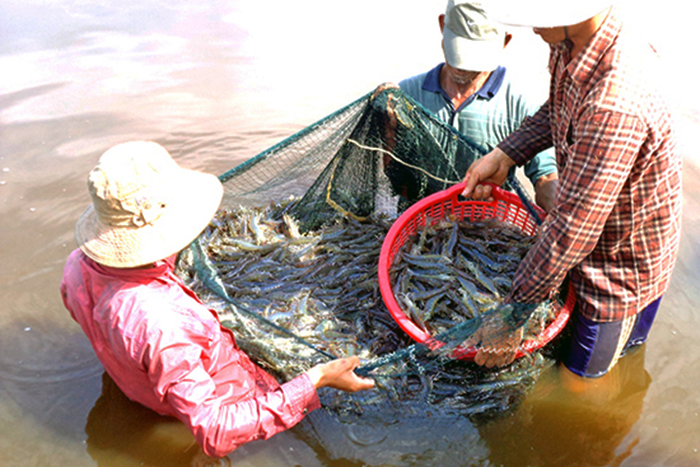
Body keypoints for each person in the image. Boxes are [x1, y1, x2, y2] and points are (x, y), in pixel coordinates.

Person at [60, 141, 374, 459]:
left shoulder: (75, 267)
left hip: (143, 395)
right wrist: (314, 380)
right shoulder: (163, 325)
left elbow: (113, 333)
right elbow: (215, 431)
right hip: (232, 408)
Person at [461, 1, 682, 384]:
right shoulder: (575, 41)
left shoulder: (615, 100)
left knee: (580, 388)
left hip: (617, 274)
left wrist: (513, 315)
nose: (531, 28)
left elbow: (573, 229)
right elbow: (559, 109)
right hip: (586, 235)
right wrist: (507, 153)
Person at [389, 0, 558, 212]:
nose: (462, 67)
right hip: (422, 223)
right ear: (442, 26)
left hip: (489, 225)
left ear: (505, 41)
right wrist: (387, 124)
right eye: (458, 50)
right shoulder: (407, 94)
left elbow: (546, 175)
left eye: (475, 56)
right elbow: (394, 180)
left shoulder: (521, 104)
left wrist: (560, 218)